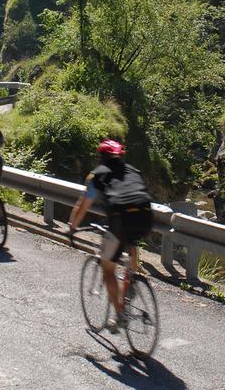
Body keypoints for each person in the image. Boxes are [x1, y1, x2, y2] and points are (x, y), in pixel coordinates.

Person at [68, 139, 152, 333]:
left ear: (101, 157)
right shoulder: (132, 170)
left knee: (107, 268)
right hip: (145, 216)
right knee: (131, 241)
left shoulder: (97, 175)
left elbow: (83, 205)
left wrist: (72, 227)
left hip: (120, 220)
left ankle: (120, 314)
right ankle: (131, 278)